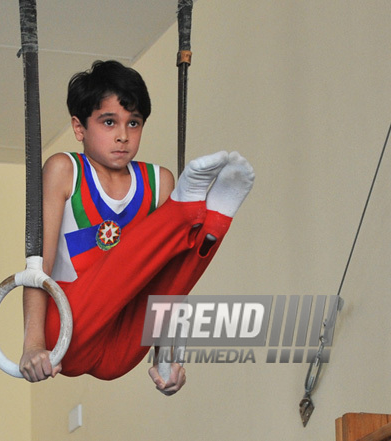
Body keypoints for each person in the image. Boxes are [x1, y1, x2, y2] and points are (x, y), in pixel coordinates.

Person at [19, 60, 254, 395]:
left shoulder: (158, 181)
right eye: (109, 122)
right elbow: (38, 267)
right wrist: (32, 345)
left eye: (134, 123)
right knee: (131, 253)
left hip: (120, 352)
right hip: (67, 332)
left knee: (174, 264)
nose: (123, 136)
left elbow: (166, 286)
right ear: (79, 127)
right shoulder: (64, 170)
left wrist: (165, 356)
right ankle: (185, 213)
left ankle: (216, 218)